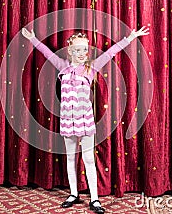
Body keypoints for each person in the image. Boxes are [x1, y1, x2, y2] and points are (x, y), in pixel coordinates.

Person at [21, 26, 149, 213]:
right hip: (67, 120)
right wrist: (33, 38)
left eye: (85, 50)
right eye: (78, 50)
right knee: (70, 159)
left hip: (85, 120)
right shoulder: (62, 65)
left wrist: (130, 37)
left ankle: (95, 199)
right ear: (70, 51)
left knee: (88, 158)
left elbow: (111, 52)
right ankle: (73, 194)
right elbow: (46, 52)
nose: (82, 53)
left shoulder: (91, 67)